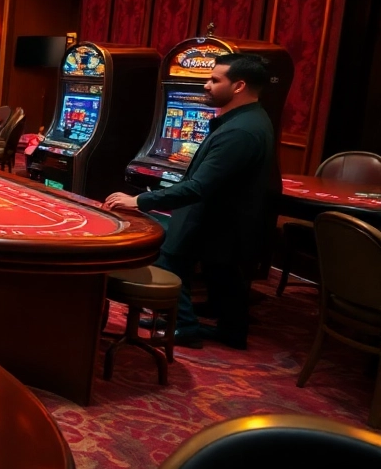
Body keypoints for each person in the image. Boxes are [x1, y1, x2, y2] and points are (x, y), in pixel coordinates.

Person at [103, 53, 279, 350]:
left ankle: (183, 326)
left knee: (169, 254)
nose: (206, 85)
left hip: (216, 218)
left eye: (215, 80)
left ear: (238, 86)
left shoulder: (240, 131)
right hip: (225, 216)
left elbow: (199, 187)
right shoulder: (248, 118)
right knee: (220, 274)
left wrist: (140, 201)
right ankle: (228, 331)